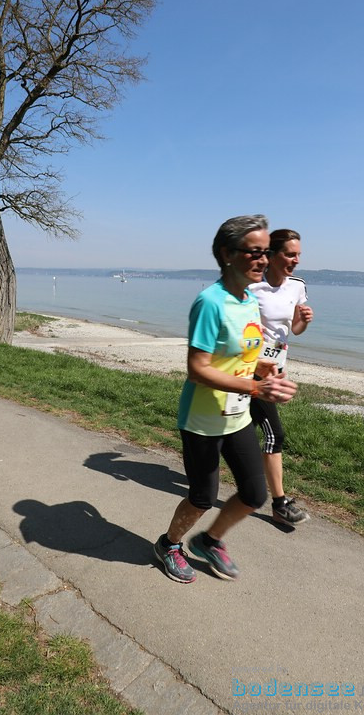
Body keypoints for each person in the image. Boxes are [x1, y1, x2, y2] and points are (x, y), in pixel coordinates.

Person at [154, 215, 298, 584]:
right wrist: (254, 389)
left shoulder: (249, 299)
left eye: (266, 252)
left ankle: (210, 540)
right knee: (203, 497)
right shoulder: (210, 302)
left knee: (254, 493)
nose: (263, 260)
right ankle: (169, 544)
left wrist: (267, 370)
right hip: (202, 420)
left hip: (237, 417)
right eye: (254, 252)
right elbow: (197, 368)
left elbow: (244, 355)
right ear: (227, 254)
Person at [248, 229, 314, 526]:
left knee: (234, 428)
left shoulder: (297, 286)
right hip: (247, 369)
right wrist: (257, 362)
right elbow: (236, 329)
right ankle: (279, 502)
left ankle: (212, 472)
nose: (296, 260)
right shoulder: (252, 286)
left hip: (275, 369)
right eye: (289, 254)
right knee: (274, 433)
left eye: (298, 254)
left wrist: (303, 322)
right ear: (271, 255)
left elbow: (293, 330)